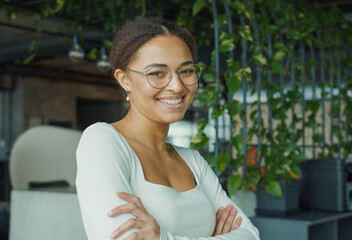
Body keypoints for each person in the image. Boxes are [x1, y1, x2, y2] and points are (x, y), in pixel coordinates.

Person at [76, 17, 260, 240]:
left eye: (186, 71)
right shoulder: (101, 141)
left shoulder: (194, 162)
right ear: (124, 79)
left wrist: (163, 237)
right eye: (157, 73)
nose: (177, 86)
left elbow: (250, 234)